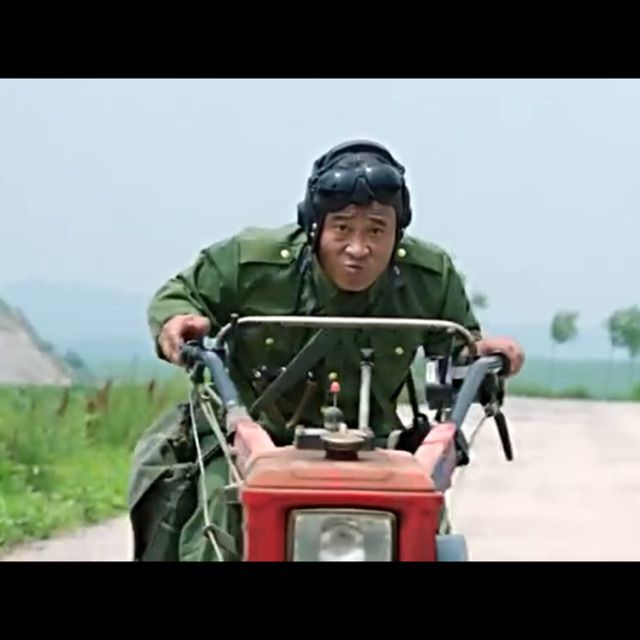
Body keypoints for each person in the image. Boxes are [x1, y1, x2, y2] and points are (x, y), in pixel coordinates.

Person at [127, 139, 525, 561]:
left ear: (398, 233)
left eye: (376, 230)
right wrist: (178, 323)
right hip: (249, 435)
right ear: (315, 226)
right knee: (213, 525)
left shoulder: (429, 276)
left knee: (423, 527)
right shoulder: (251, 262)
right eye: (342, 228)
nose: (358, 248)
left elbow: (459, 346)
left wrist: (483, 356)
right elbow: (181, 295)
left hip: (374, 444)